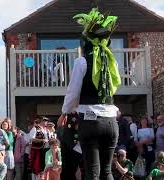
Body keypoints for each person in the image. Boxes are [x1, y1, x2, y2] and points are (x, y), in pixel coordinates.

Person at [59, 8, 121, 179]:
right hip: (111, 121)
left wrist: (65, 111)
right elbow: (114, 87)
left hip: (90, 121)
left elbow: (72, 91)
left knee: (92, 172)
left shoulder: (82, 61)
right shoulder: (110, 62)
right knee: (107, 171)